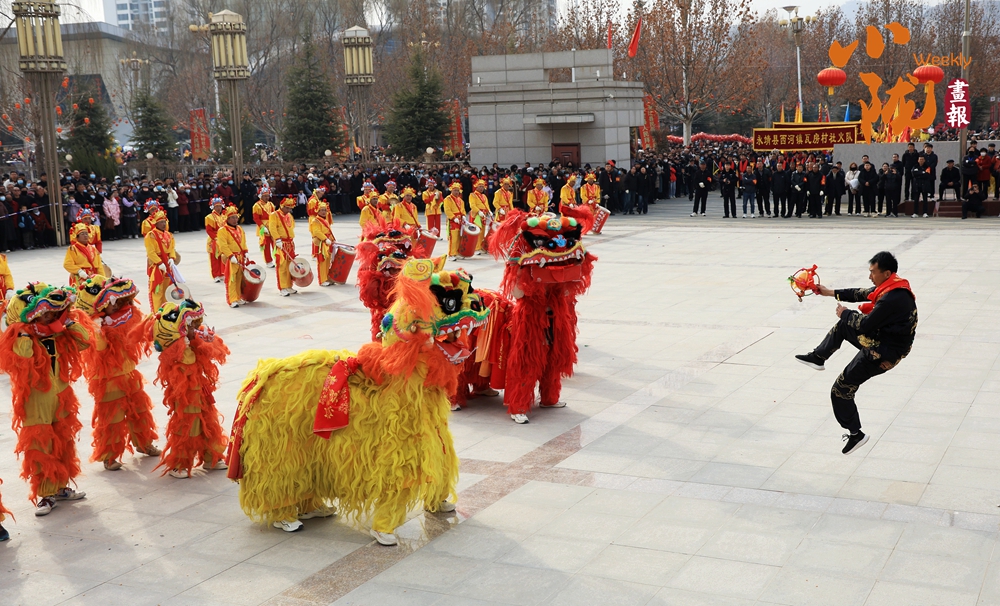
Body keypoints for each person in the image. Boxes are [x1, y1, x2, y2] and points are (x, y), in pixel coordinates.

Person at [795, 251, 917, 455]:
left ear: (886, 273)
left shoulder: (892, 299)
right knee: (844, 326)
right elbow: (860, 293)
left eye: (873, 272)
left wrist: (845, 313)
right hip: (882, 341)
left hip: (882, 353)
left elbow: (865, 325)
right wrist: (828, 292)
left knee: (840, 389)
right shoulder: (891, 287)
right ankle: (818, 357)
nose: (870, 276)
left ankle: (856, 434)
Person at [0, 282, 93, 516]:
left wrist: (68, 322)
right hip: (35, 400)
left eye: (52, 313)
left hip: (61, 396)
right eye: (45, 314)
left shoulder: (59, 333)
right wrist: (24, 332)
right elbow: (22, 358)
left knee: (63, 441)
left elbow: (85, 341)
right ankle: (46, 494)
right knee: (41, 446)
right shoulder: (20, 337)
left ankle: (61, 487)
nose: (49, 318)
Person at [135, 300, 229, 479]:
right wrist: (187, 342)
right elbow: (177, 361)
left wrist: (203, 340)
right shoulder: (174, 346)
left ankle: (212, 457)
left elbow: (213, 352)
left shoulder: (193, 340)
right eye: (192, 325)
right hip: (185, 393)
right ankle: (179, 464)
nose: (197, 328)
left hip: (200, 389)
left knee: (209, 421)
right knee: (187, 426)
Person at [79, 275, 160, 471]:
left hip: (129, 373)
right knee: (111, 418)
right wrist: (98, 329)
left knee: (139, 410)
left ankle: (144, 443)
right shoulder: (94, 325)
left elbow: (138, 330)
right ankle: (109, 456)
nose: (117, 306)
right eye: (112, 303)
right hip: (108, 379)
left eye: (118, 302)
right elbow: (99, 348)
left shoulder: (123, 318)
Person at [144, 209, 179, 313]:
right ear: (156, 223)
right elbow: (151, 252)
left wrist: (172, 258)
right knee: (157, 290)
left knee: (168, 289)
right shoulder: (151, 235)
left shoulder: (169, 234)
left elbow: (172, 248)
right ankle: (157, 312)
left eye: (164, 222)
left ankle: (167, 310)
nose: (164, 224)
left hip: (167, 263)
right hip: (157, 265)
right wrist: (159, 263)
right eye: (161, 222)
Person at [216, 205, 250, 308]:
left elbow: (243, 241)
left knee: (239, 278)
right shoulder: (223, 230)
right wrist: (230, 256)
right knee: (231, 279)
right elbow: (223, 245)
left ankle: (238, 297)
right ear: (227, 219)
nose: (235, 220)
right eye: (232, 218)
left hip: (240, 256)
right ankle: (232, 299)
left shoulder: (240, 228)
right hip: (231, 258)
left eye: (236, 217)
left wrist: (245, 251)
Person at [270, 196, 298, 296]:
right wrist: (277, 239)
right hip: (281, 243)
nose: (289, 210)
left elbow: (292, 227)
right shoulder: (274, 215)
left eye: (290, 208)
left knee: (290, 265)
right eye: (287, 208)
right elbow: (272, 228)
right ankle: (282, 287)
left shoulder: (289, 215)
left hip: (290, 243)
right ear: (282, 206)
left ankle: (289, 285)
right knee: (281, 266)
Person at [63, 223, 105, 289]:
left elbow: (99, 266)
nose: (85, 236)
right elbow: (67, 264)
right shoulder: (73, 249)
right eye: (82, 234)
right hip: (80, 277)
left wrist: (103, 278)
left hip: (94, 276)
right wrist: (79, 271)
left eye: (86, 233)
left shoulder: (93, 249)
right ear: (77, 237)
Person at [310, 201, 337, 286]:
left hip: (327, 242)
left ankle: (327, 277)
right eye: (321, 210)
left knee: (328, 261)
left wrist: (332, 239)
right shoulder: (315, 220)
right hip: (321, 243)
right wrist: (325, 239)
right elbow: (316, 232)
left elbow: (329, 231)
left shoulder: (325, 220)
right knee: (322, 262)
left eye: (325, 210)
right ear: (317, 211)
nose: (324, 212)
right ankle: (322, 280)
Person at [252, 187, 276, 268]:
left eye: (268, 196)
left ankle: (278, 258)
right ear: (261, 196)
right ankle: (268, 261)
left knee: (275, 243)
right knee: (266, 245)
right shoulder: (257, 205)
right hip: (263, 226)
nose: (267, 197)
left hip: (272, 225)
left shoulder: (271, 204)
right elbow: (256, 218)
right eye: (265, 196)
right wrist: (262, 227)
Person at [204, 197, 226, 282]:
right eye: (216, 206)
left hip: (223, 238)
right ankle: (215, 275)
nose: (219, 208)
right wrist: (216, 238)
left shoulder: (224, 216)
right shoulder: (209, 217)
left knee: (222, 257)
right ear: (213, 207)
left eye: (220, 206)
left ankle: (221, 273)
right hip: (214, 239)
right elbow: (209, 230)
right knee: (214, 258)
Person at [467, 179, 490, 254]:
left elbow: (486, 205)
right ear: (476, 187)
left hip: (483, 215)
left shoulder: (484, 196)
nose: (481, 188)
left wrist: (489, 211)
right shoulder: (472, 195)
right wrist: (478, 211)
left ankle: (480, 246)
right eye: (480, 186)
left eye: (482, 187)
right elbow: (472, 205)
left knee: (482, 231)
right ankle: (476, 248)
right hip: (477, 215)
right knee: (477, 231)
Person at [444, 181, 466, 260]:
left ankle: (457, 252)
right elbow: (447, 210)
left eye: (458, 190)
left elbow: (463, 209)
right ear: (451, 190)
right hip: (453, 220)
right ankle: (451, 254)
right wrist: (453, 217)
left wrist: (463, 215)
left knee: (459, 237)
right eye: (455, 190)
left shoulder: (460, 200)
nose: (457, 192)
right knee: (453, 238)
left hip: (460, 220)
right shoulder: (448, 199)